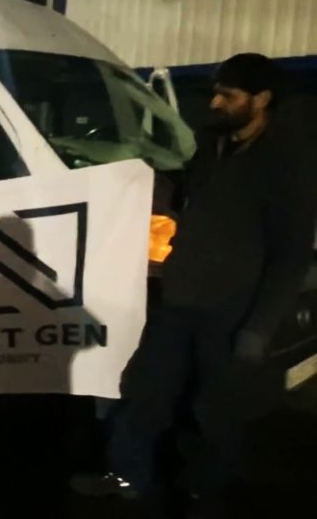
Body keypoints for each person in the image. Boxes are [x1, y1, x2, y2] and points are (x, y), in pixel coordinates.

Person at [72, 53, 317, 515]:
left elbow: (291, 254)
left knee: (214, 409)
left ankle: (210, 490)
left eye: (229, 95)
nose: (216, 102)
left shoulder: (285, 164)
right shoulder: (214, 146)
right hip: (180, 300)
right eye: (216, 93)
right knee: (145, 391)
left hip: (232, 310)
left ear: (262, 99)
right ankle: (127, 476)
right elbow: (187, 202)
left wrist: (259, 327)